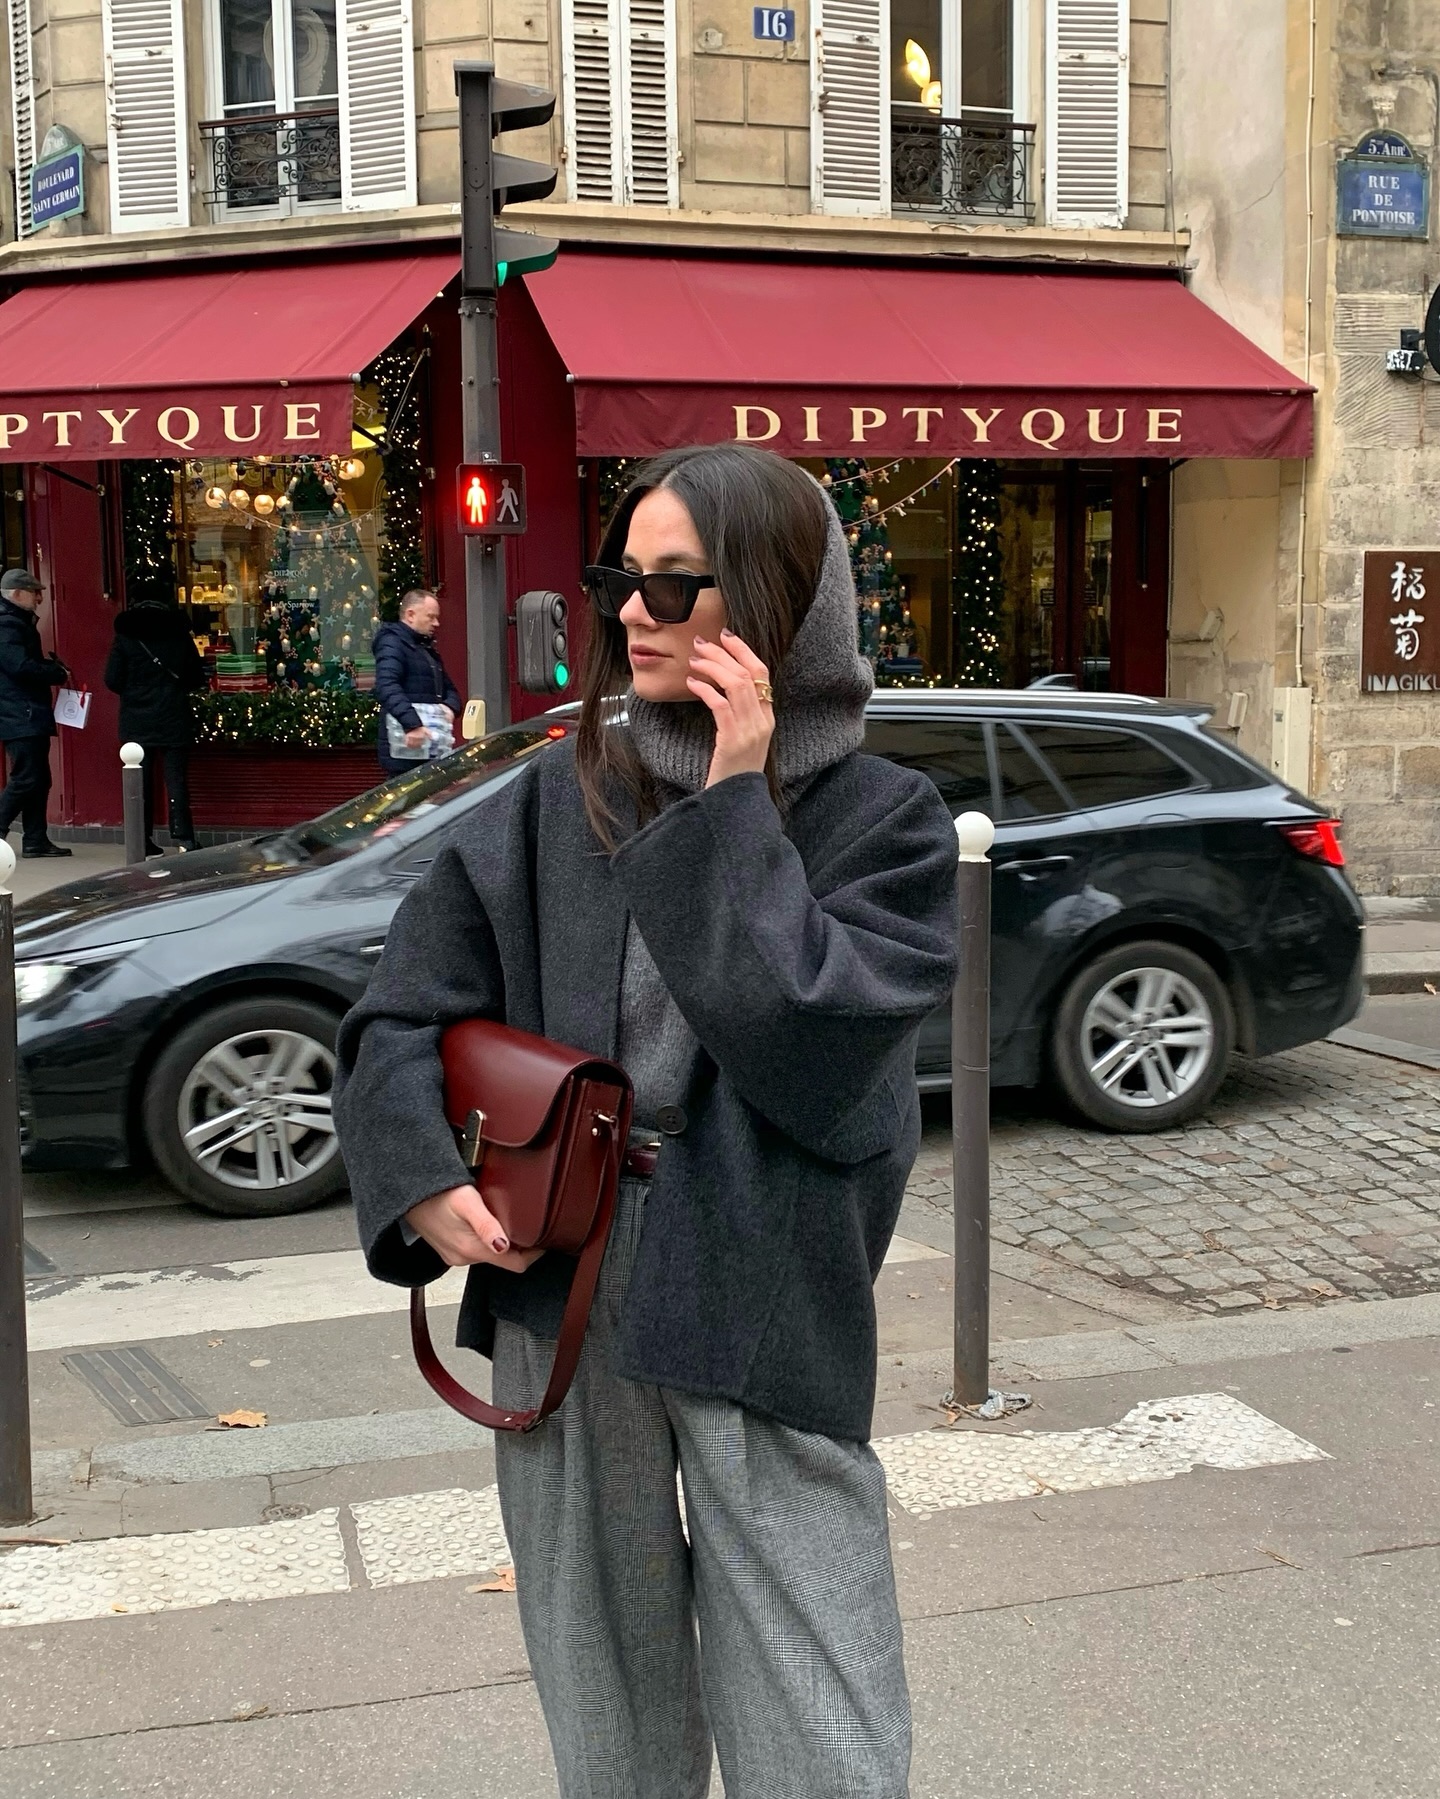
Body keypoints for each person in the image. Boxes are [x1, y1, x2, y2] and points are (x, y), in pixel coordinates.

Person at [335, 445, 958, 1799]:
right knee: (607, 1716)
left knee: (826, 1730)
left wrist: (737, 801)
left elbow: (810, 1043)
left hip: (763, 1291)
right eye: (625, 577)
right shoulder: (563, 793)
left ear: (781, 605)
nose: (633, 612)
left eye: (678, 586)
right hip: (559, 1286)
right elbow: (399, 1007)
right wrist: (422, 1174)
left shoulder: (884, 822)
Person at [104, 597, 207, 855]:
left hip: (137, 719)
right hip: (173, 715)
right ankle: (184, 839)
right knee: (176, 780)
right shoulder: (178, 634)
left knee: (139, 780)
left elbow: (112, 679)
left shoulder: (127, 637)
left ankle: (143, 840)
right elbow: (196, 677)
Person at [0, 566, 71, 858]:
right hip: (20, 711)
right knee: (28, 777)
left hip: (25, 710)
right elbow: (18, 666)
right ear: (17, 594)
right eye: (35, 592)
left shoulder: (16, 622)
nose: (40, 598)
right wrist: (53, 672)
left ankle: (35, 839)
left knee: (39, 777)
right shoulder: (7, 625)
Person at [372, 589, 463, 775]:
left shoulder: (425, 648)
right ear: (410, 615)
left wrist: (450, 707)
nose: (436, 623)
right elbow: (387, 686)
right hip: (406, 749)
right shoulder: (392, 643)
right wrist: (412, 725)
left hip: (428, 747)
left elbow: (449, 689)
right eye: (431, 617)